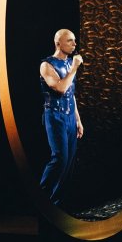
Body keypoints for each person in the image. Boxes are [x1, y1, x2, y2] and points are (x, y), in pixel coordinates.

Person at [39, 28, 85, 206]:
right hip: (55, 116)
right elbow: (60, 88)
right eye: (70, 41)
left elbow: (70, 94)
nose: (74, 44)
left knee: (69, 162)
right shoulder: (46, 65)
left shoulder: (68, 64)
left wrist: (78, 120)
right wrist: (74, 68)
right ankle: (41, 197)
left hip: (70, 117)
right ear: (58, 43)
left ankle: (56, 204)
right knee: (60, 158)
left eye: (74, 40)